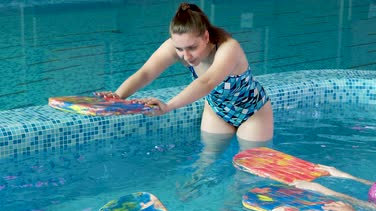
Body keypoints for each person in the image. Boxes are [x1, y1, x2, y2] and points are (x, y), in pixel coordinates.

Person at [97, 2, 273, 146]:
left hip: (252, 112)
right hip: (217, 112)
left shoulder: (228, 48)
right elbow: (146, 73)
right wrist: (118, 96)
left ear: (205, 37)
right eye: (179, 49)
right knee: (206, 163)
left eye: (192, 48)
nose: (186, 56)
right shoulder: (176, 48)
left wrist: (169, 106)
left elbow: (207, 82)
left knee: (250, 168)